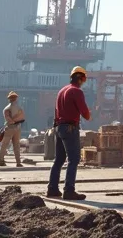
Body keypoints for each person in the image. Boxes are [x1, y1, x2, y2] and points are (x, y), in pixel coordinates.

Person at [47, 66, 91, 200]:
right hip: (70, 128)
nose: (84, 81)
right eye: (84, 78)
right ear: (81, 78)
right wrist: (89, 115)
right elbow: (85, 113)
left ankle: (52, 189)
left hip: (58, 127)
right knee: (74, 159)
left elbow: (56, 111)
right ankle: (69, 190)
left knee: (59, 159)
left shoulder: (62, 91)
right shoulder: (77, 91)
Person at [0, 91, 26, 167]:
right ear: (16, 99)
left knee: (4, 145)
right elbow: (23, 118)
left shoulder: (6, 109)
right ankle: (18, 162)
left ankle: (1, 160)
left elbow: (8, 120)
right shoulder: (20, 108)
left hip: (9, 128)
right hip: (18, 128)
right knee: (16, 145)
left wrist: (12, 120)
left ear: (9, 99)